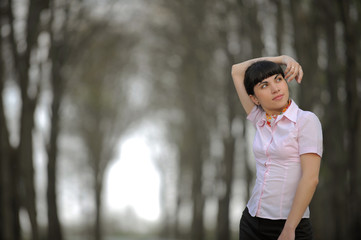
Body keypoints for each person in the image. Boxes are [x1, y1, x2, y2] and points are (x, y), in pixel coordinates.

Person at [231, 55, 323, 240]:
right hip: (251, 221)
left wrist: (289, 229)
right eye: (264, 85)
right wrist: (281, 58)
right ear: (254, 98)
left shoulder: (305, 121)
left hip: (290, 226)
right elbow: (236, 71)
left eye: (278, 79)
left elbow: (310, 179)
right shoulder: (260, 119)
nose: (275, 88)